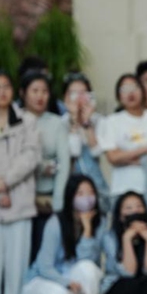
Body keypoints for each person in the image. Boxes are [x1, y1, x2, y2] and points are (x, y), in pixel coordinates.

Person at [0, 70, 41, 294]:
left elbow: (30, 157)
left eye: (6, 86)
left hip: (18, 203)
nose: (2, 91)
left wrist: (4, 182)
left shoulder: (27, 122)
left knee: (16, 265)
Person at [22, 175, 105, 294]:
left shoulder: (99, 223)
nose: (87, 198)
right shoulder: (56, 222)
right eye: (80, 193)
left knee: (88, 268)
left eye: (90, 192)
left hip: (73, 286)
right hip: (43, 281)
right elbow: (44, 267)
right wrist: (66, 283)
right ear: (71, 196)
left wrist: (87, 230)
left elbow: (85, 263)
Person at [99, 74, 147, 217]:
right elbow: (112, 157)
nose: (130, 93)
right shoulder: (112, 121)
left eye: (134, 88)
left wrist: (124, 155)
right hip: (122, 187)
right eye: (125, 89)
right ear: (118, 95)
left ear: (143, 91)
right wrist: (146, 151)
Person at [20, 72, 70, 261]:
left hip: (48, 199)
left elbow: (63, 163)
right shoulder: (16, 120)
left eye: (45, 91)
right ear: (23, 93)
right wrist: (42, 166)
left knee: (44, 251)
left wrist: (57, 202)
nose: (40, 96)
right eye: (35, 91)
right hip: (21, 198)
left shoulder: (56, 123)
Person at [61, 73, 110, 212]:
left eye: (83, 93)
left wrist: (87, 124)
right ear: (65, 98)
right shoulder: (61, 123)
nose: (79, 98)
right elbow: (73, 152)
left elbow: (96, 152)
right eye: (74, 93)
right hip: (71, 185)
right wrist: (74, 121)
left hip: (98, 185)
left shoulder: (100, 120)